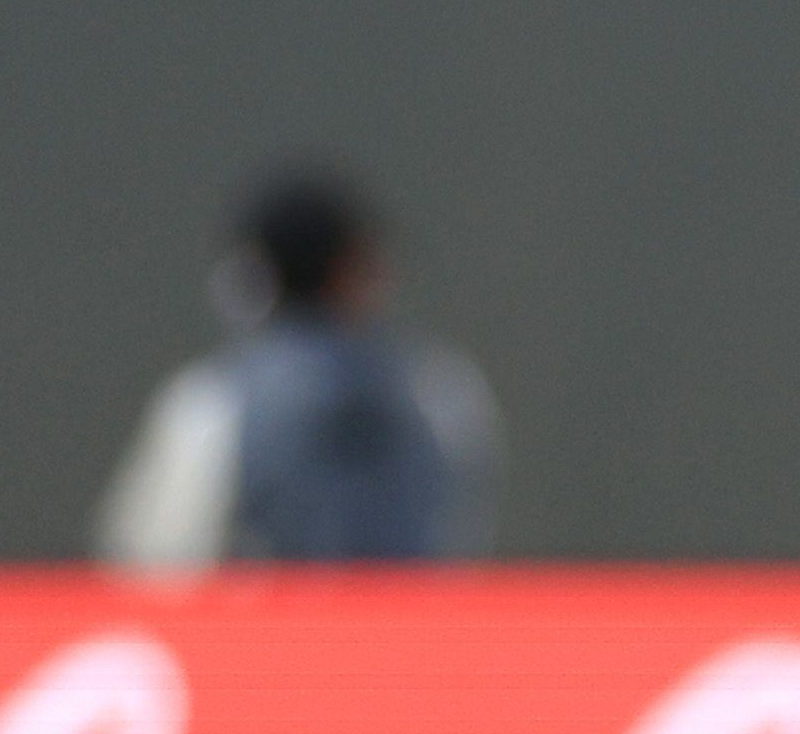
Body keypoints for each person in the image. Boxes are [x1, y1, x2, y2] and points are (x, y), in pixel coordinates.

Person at [97, 171, 505, 571]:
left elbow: (153, 561)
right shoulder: (442, 391)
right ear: (355, 270)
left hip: (263, 637)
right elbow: (463, 542)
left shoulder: (212, 402)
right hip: (415, 636)